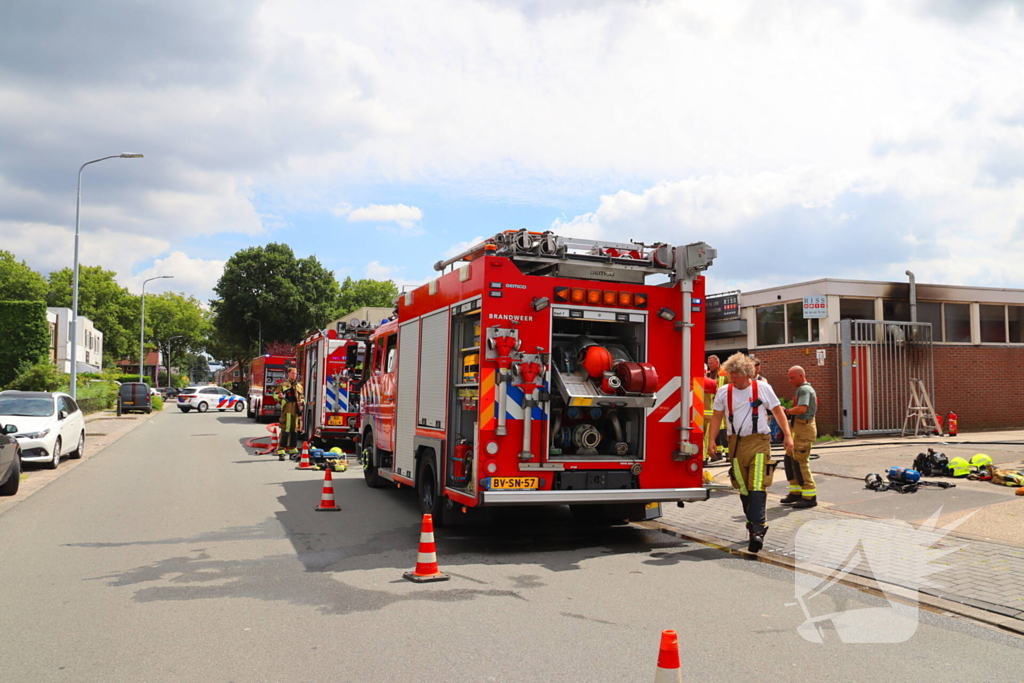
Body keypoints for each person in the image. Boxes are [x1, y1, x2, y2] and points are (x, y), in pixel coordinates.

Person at [708, 353, 793, 553]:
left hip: (759, 442)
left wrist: (788, 436)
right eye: (731, 375)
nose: (733, 379)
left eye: (736, 376)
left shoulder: (762, 388)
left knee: (757, 484)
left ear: (747, 373)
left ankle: (758, 530)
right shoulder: (723, 392)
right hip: (735, 445)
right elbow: (716, 417)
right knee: (743, 487)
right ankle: (752, 524)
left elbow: (777, 411)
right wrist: (711, 440)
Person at [782, 365, 818, 508]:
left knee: (800, 463)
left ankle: (809, 497)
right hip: (797, 429)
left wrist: (786, 411)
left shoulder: (804, 390)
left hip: (803, 431)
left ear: (801, 375)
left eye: (792, 378)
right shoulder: (802, 390)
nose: (790, 381)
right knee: (790, 461)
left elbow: (802, 409)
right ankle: (795, 492)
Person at [274, 367, 305, 461]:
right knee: (286, 430)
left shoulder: (299, 386)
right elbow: (275, 395)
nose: (294, 375)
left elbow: (303, 398)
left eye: (295, 374)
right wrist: (279, 396)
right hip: (287, 410)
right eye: (292, 373)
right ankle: (281, 451)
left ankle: (293, 451)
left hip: (295, 411)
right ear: (288, 374)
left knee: (294, 431)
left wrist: (301, 402)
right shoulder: (283, 385)